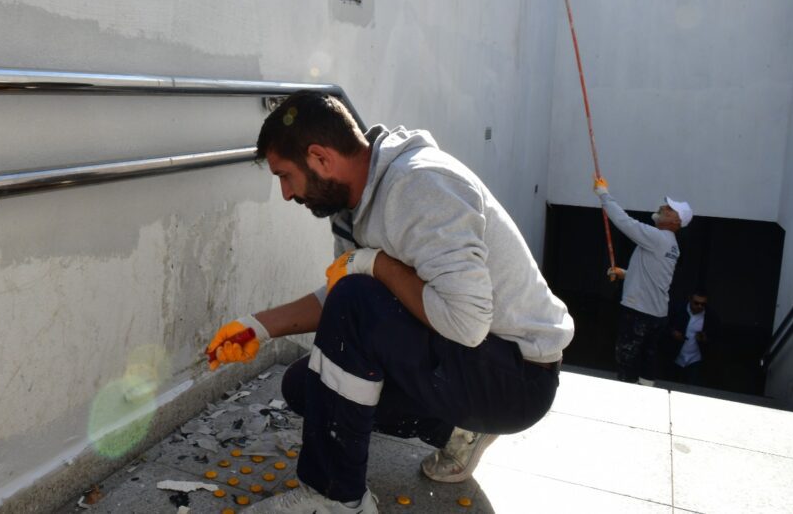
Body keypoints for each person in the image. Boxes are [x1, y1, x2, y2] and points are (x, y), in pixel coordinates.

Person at [206, 91, 574, 513]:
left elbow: (465, 322)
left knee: (357, 297)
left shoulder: (422, 185)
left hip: (516, 378)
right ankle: (455, 430)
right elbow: (346, 297)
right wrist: (257, 325)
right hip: (475, 360)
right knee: (305, 386)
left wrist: (375, 263)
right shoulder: (353, 205)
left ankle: (335, 499)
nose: (287, 194)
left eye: (285, 176)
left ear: (320, 159)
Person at [592, 177, 692, 386]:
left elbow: (624, 222)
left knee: (627, 361)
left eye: (670, 209)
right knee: (647, 360)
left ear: (676, 222)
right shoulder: (671, 245)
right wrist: (625, 274)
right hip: (657, 314)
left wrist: (603, 194)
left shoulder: (658, 238)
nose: (664, 207)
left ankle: (628, 399)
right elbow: (653, 276)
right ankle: (645, 394)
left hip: (639, 313)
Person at [667, 291, 715, 385]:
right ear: (690, 300)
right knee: (671, 384)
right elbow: (665, 324)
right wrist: (673, 332)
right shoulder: (678, 310)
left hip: (695, 358)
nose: (700, 306)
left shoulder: (710, 316)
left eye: (703, 304)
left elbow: (715, 336)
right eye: (696, 303)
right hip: (675, 355)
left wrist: (705, 339)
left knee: (692, 388)